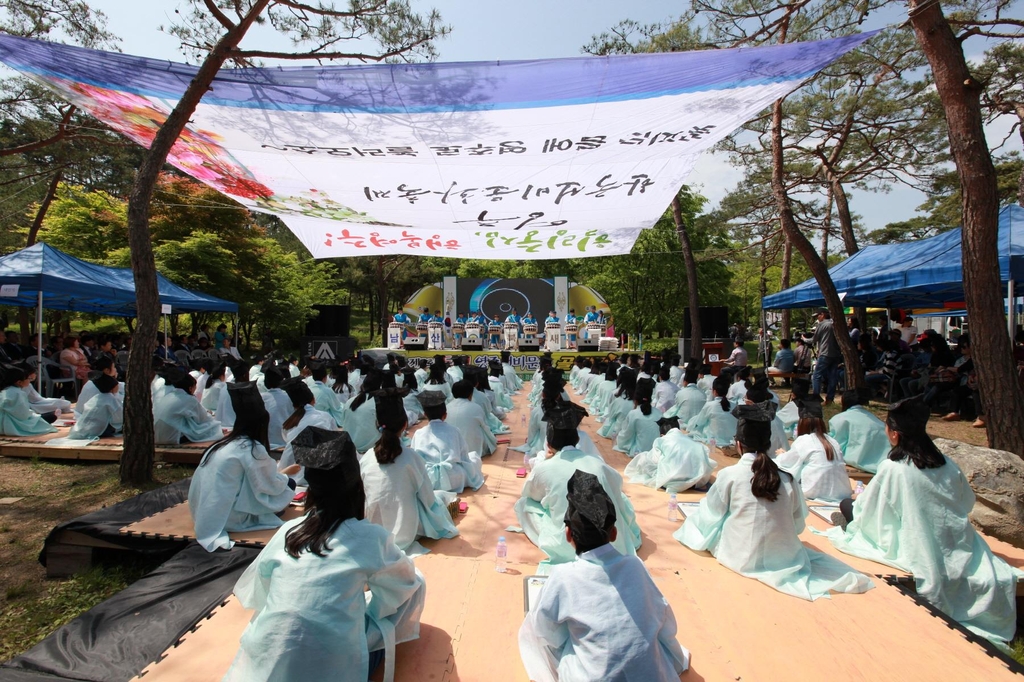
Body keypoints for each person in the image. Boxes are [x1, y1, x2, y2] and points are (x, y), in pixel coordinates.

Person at [222, 427, 425, 682]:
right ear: (357, 483)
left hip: (267, 659)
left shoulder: (288, 531)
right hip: (334, 667)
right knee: (416, 580)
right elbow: (404, 585)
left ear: (311, 489)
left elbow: (259, 592)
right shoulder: (370, 538)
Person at [826, 398, 1017, 644]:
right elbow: (966, 503)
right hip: (953, 537)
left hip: (913, 537)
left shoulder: (894, 468)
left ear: (894, 434)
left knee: (847, 506)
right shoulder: (947, 464)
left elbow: (872, 514)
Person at [675, 401, 873, 600]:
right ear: (769, 444)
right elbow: (797, 524)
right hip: (783, 555)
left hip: (739, 554)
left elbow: (711, 516)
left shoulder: (730, 475)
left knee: (702, 525)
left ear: (738, 444)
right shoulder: (787, 478)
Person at [518, 471, 690, 682]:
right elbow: (664, 620)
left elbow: (546, 632)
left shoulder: (563, 576)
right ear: (614, 533)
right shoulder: (636, 565)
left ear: (568, 534)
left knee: (531, 631)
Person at [515, 400, 642, 566]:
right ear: (576, 439)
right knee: (622, 499)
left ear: (549, 444)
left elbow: (530, 493)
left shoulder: (544, 468)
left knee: (524, 503)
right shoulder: (599, 464)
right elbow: (617, 486)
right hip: (607, 541)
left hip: (570, 544)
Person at [188, 382, 300, 552]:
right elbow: (270, 485)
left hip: (202, 511)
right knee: (289, 486)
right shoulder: (252, 449)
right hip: (229, 517)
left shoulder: (221, 444)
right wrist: (285, 475)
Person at [360, 388, 458, 555]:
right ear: (405, 424)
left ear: (378, 425)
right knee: (440, 498)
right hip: (405, 533)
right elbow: (427, 499)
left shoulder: (366, 457)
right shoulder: (411, 457)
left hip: (372, 532)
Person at [774, 398, 850, 503]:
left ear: (802, 423)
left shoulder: (804, 440)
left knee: (778, 469)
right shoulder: (832, 441)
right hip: (840, 492)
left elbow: (786, 463)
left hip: (813, 493)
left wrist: (781, 455)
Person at [409, 391, 484, 493]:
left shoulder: (418, 433)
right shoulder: (454, 430)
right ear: (445, 415)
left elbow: (416, 460)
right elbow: (464, 457)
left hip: (429, 480)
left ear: (425, 414)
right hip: (455, 478)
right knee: (474, 457)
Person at [624, 416, 717, 493]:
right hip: (697, 480)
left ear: (662, 434)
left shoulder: (661, 440)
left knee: (643, 457)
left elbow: (653, 461)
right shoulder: (695, 443)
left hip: (671, 478)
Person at [278, 377, 337, 484]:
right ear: (313, 399)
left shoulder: (287, 424)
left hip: (292, 473)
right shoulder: (325, 417)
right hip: (321, 473)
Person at [153, 371, 223, 444]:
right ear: (190, 388)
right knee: (212, 430)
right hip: (171, 438)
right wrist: (217, 426)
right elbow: (202, 419)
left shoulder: (168, 395)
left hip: (156, 436)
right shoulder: (188, 399)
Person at [828, 390, 890, 473]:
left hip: (856, 465)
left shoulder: (840, 419)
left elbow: (836, 447)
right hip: (882, 466)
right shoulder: (878, 422)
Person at [0, 364, 59, 435]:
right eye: (28, 379)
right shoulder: (18, 393)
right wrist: (33, 415)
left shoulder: (5, 391)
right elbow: (22, 415)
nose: (29, 380)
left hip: (3, 422)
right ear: (19, 382)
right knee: (46, 418)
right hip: (12, 423)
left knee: (43, 416)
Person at [445, 379, 497, 458]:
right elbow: (485, 427)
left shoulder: (447, 407)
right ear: (470, 394)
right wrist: (492, 439)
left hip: (451, 449)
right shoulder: (476, 407)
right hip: (473, 448)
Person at [613, 377, 663, 457]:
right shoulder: (659, 413)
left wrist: (618, 440)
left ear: (635, 399)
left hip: (639, 452)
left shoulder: (634, 414)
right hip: (656, 453)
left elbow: (626, 435)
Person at [684, 376, 738, 447]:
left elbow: (698, 422)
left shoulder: (710, 405)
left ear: (714, 391)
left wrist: (689, 425)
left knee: (695, 432)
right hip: (731, 441)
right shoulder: (735, 405)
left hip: (715, 442)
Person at [804, 309, 842, 404]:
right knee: (833, 376)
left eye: (818, 315)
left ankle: (816, 397)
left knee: (817, 375)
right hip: (836, 354)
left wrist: (804, 339)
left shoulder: (822, 324)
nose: (817, 318)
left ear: (823, 315)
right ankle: (830, 398)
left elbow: (814, 339)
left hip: (825, 353)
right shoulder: (835, 324)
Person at [67, 374, 123, 440]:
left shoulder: (96, 397)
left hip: (88, 427)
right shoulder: (111, 399)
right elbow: (119, 417)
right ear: (113, 388)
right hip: (101, 429)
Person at [307, 361, 345, 427]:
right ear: (325, 377)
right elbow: (337, 408)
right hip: (322, 421)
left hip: (309, 419)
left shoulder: (308, 389)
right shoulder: (327, 391)